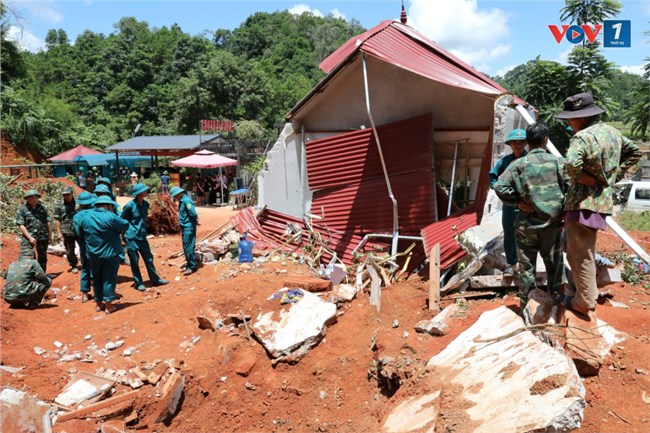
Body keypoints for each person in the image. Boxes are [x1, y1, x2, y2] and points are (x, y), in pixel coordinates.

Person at [555, 92, 642, 318]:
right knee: (580, 250)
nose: (569, 124)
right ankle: (584, 292)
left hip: (582, 202)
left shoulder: (581, 138)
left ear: (581, 118)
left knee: (580, 253)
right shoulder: (613, 133)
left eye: (570, 119)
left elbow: (571, 164)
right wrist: (613, 175)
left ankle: (583, 302)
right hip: (600, 201)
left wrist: (580, 176)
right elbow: (634, 152)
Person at [494, 123, 567, 309]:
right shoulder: (558, 163)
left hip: (526, 227)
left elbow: (499, 186)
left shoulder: (519, 164)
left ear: (527, 142)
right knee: (555, 268)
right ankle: (555, 307)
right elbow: (572, 189)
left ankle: (527, 308)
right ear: (545, 140)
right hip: (552, 225)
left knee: (527, 270)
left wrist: (517, 202)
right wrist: (564, 213)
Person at [78, 196, 129, 314]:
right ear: (108, 205)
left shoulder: (85, 217)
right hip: (109, 254)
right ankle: (109, 305)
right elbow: (125, 225)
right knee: (109, 279)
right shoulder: (110, 216)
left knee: (97, 279)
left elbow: (81, 236)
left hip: (93, 255)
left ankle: (98, 304)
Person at [489, 128, 528, 276]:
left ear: (525, 143)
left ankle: (527, 266)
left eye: (520, 143)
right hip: (510, 205)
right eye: (514, 143)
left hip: (528, 205)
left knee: (528, 235)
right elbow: (492, 177)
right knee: (510, 234)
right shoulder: (505, 162)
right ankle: (513, 264)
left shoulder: (530, 160)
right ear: (510, 145)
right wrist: (501, 191)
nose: (517, 146)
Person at [120, 183, 169, 291]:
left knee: (149, 258)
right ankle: (138, 283)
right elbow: (122, 220)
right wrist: (124, 236)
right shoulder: (129, 206)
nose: (146, 192)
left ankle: (155, 280)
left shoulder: (146, 204)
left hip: (142, 236)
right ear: (139, 193)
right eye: (144, 191)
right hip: (131, 237)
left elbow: (144, 218)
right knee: (134, 260)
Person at [16, 189, 51, 273]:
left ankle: (42, 276)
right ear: (27, 199)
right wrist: (29, 237)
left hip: (42, 236)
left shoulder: (42, 208)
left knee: (43, 257)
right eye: (31, 198)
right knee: (28, 257)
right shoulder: (22, 210)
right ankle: (30, 276)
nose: (34, 199)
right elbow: (21, 224)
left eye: (36, 197)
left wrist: (50, 235)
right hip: (29, 237)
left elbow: (47, 221)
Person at [170, 186, 200, 275]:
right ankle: (189, 264)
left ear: (179, 194)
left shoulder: (186, 201)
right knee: (186, 246)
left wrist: (196, 220)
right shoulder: (182, 201)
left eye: (175, 196)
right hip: (185, 227)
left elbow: (193, 213)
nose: (174, 198)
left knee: (188, 247)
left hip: (188, 227)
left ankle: (192, 266)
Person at [73, 192, 96, 303]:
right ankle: (97, 293)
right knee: (97, 269)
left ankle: (85, 294)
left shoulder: (77, 216)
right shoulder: (95, 213)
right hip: (96, 246)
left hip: (83, 246)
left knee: (85, 269)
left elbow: (78, 232)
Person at [54, 186, 79, 274]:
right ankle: (73, 265)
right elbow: (57, 219)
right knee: (69, 251)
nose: (66, 196)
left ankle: (86, 264)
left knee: (84, 248)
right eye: (64, 195)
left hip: (80, 230)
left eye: (68, 194)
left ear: (72, 194)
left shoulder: (78, 203)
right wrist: (58, 232)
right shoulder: (59, 205)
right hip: (67, 231)